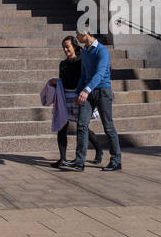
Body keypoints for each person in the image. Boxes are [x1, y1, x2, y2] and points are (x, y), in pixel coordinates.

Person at [63, 29, 123, 172]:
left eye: (78, 34)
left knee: (108, 126)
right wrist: (78, 92)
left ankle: (116, 160)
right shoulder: (85, 51)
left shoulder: (102, 51)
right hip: (87, 92)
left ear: (85, 33)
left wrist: (86, 90)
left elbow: (100, 73)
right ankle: (79, 161)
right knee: (82, 124)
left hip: (103, 91)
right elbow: (83, 75)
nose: (77, 37)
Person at [52, 36, 103, 168]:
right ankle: (62, 159)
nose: (65, 49)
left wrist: (86, 93)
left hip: (79, 96)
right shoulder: (62, 64)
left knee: (82, 127)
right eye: (63, 47)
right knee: (62, 127)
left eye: (67, 47)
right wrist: (56, 82)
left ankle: (99, 150)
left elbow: (86, 77)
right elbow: (62, 80)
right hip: (65, 97)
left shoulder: (82, 61)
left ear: (74, 46)